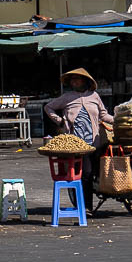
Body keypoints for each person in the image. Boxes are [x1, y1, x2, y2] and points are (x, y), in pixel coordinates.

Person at [45, 68, 113, 207]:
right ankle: (86, 206)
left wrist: (119, 119)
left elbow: (103, 115)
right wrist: (60, 121)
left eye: (78, 78)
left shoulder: (94, 96)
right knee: (86, 174)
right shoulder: (67, 97)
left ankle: (90, 198)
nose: (74, 81)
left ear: (85, 81)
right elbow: (48, 107)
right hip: (77, 145)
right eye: (72, 79)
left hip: (95, 142)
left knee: (99, 171)